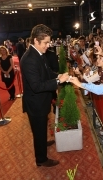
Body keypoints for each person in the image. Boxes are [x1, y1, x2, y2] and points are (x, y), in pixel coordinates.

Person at [20, 24, 69, 167]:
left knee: (40, 129)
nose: (48, 45)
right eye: (46, 42)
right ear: (36, 40)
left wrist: (57, 75)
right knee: (38, 131)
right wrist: (58, 80)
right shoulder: (29, 59)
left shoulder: (39, 53)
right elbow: (37, 86)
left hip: (41, 101)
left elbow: (46, 73)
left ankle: (42, 142)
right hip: (36, 105)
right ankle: (41, 159)